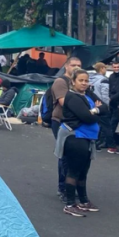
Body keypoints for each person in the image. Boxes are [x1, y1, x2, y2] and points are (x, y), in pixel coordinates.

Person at [55, 69, 105, 217]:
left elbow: (106, 108)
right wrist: (97, 111)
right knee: (73, 170)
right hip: (75, 136)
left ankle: (83, 201)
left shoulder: (88, 94)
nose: (84, 83)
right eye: (81, 80)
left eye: (86, 80)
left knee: (83, 171)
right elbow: (87, 117)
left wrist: (94, 111)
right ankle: (70, 204)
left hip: (88, 138)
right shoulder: (72, 97)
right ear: (73, 82)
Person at [50, 57, 82, 198]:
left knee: (75, 156)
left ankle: (72, 186)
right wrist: (87, 111)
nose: (76, 67)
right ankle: (63, 187)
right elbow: (65, 103)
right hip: (61, 121)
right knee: (64, 155)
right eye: (73, 65)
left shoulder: (81, 81)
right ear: (66, 67)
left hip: (78, 123)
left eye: (79, 65)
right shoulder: (61, 82)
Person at [89, 62, 110, 150]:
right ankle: (102, 142)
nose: (106, 70)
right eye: (105, 68)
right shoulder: (104, 80)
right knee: (105, 126)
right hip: (101, 104)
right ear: (101, 68)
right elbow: (105, 95)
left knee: (95, 124)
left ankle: (94, 141)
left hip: (92, 104)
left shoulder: (91, 78)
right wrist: (106, 106)